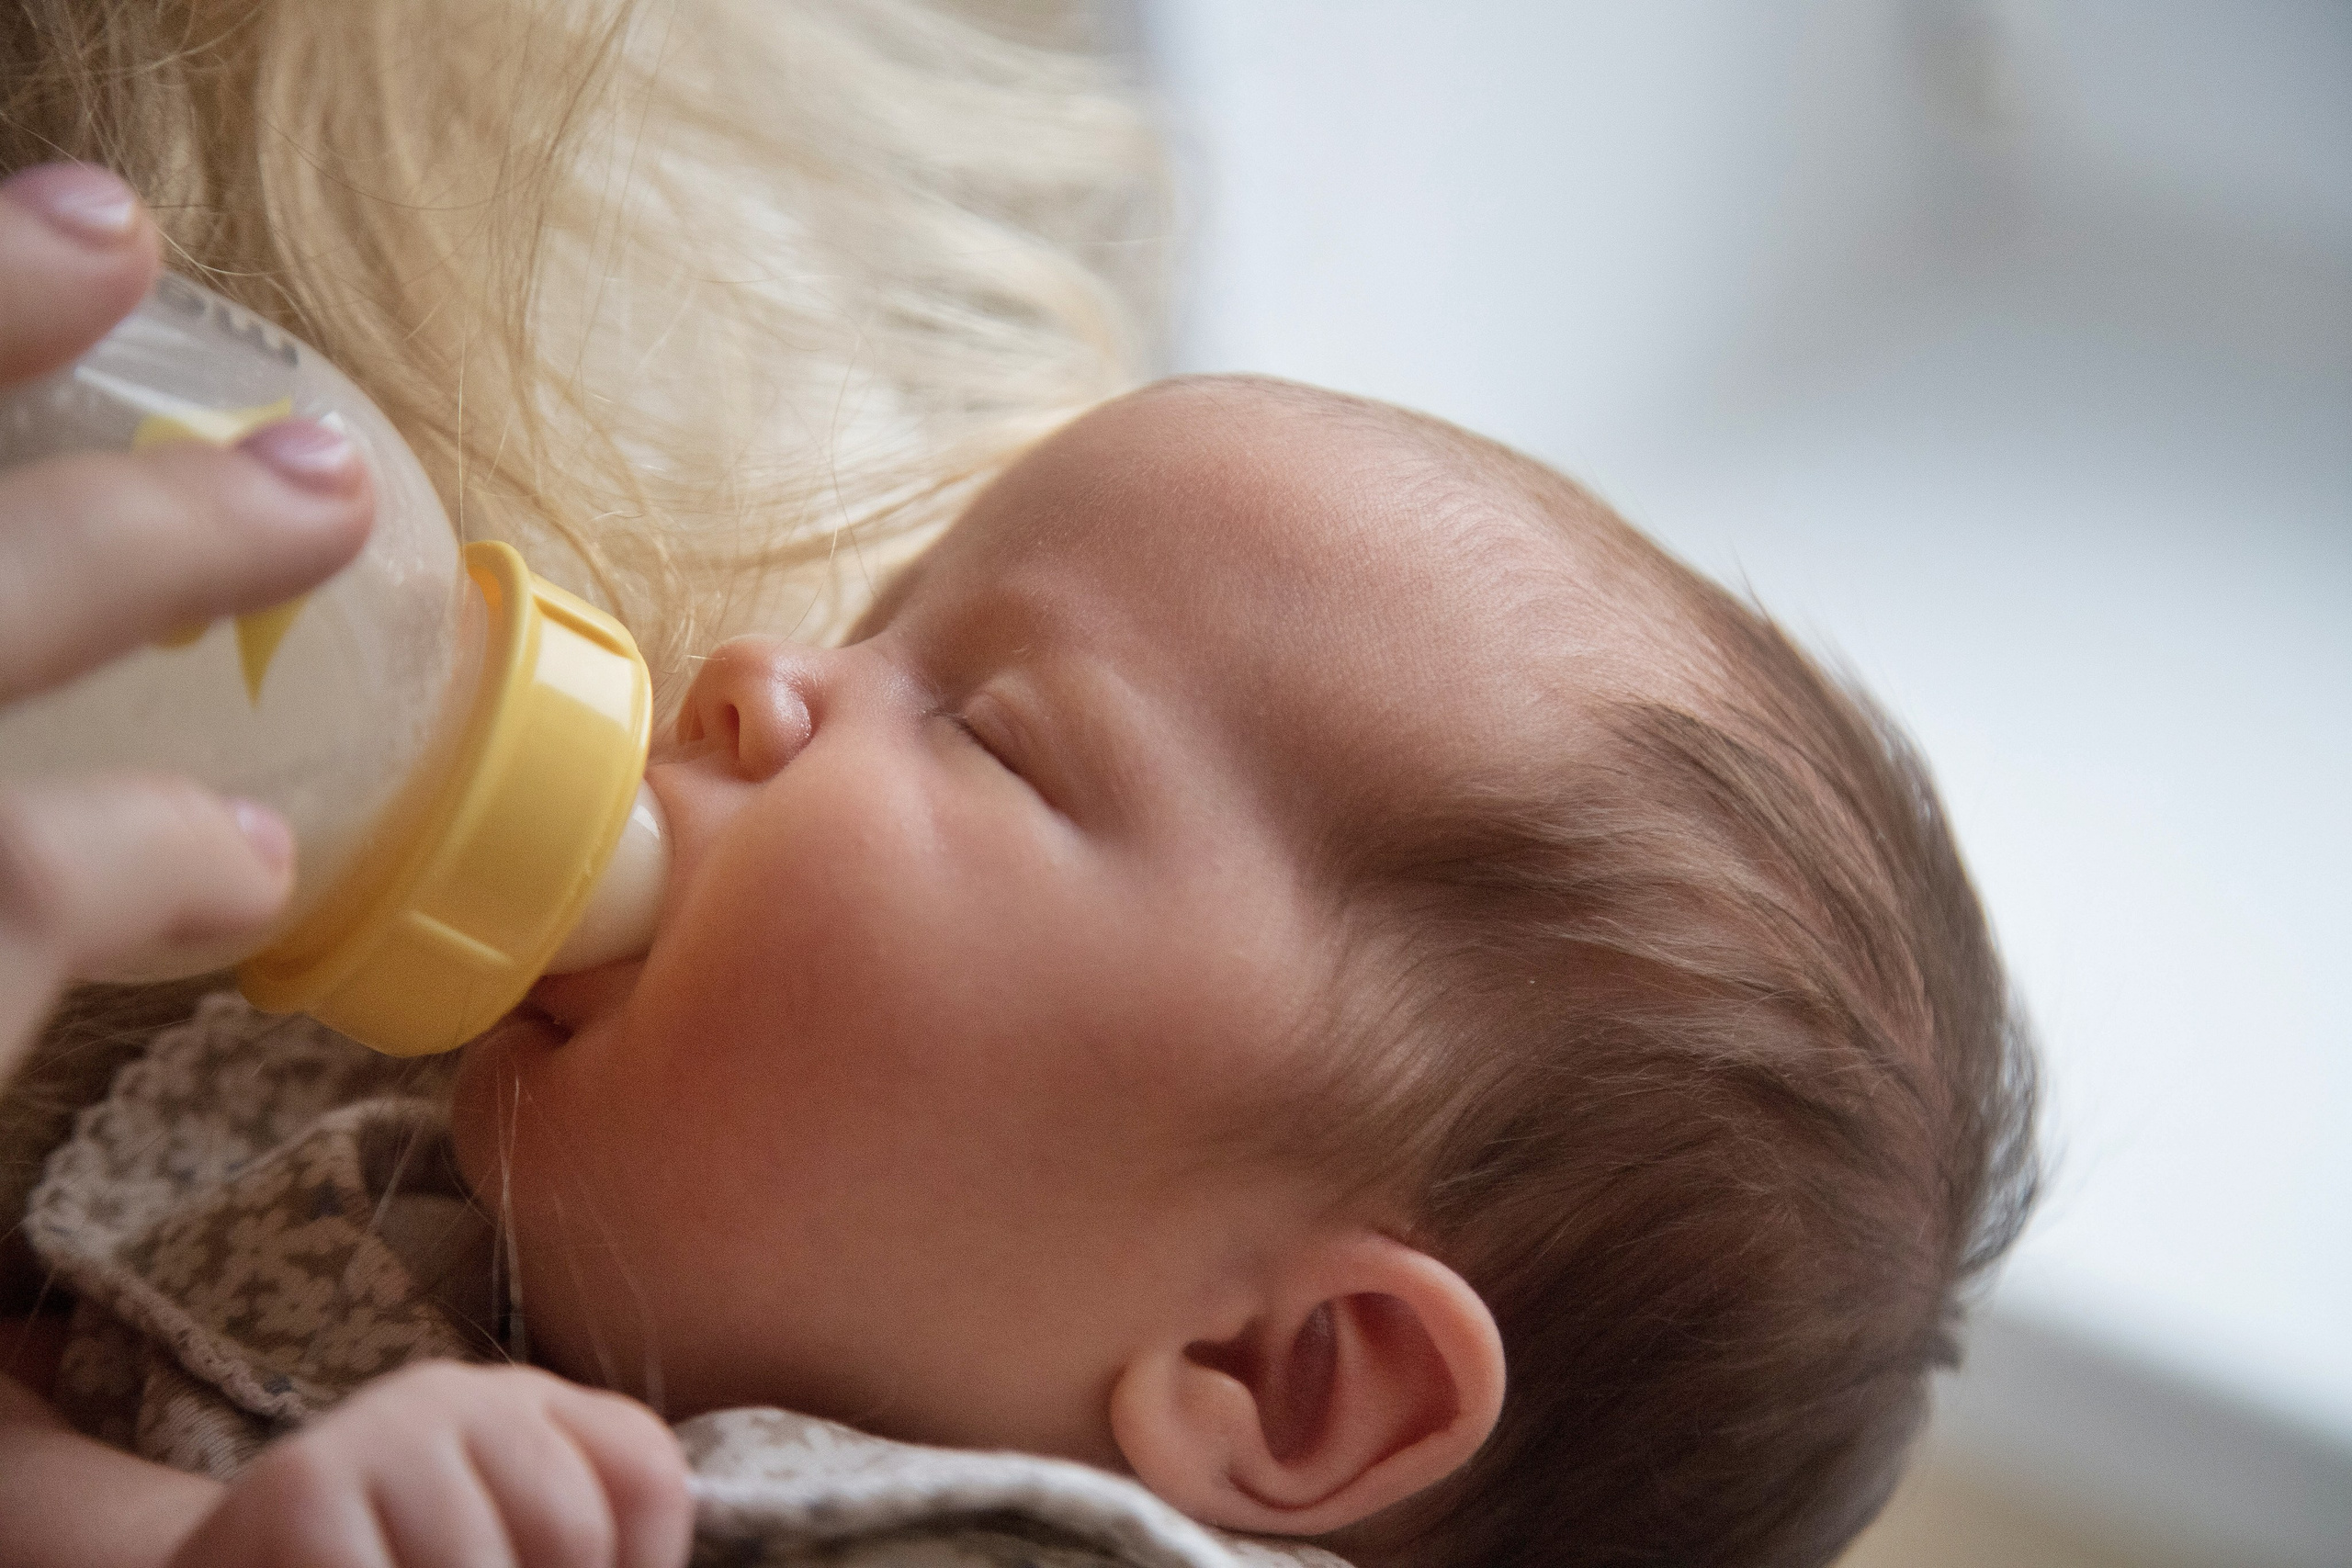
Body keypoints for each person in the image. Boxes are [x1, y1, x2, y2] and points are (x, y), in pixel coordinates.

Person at [0, 8, 2039, 1568]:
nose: (746, 673)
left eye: (978, 726)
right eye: (877, 617)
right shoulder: (446, 1215)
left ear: (1280, 1370)